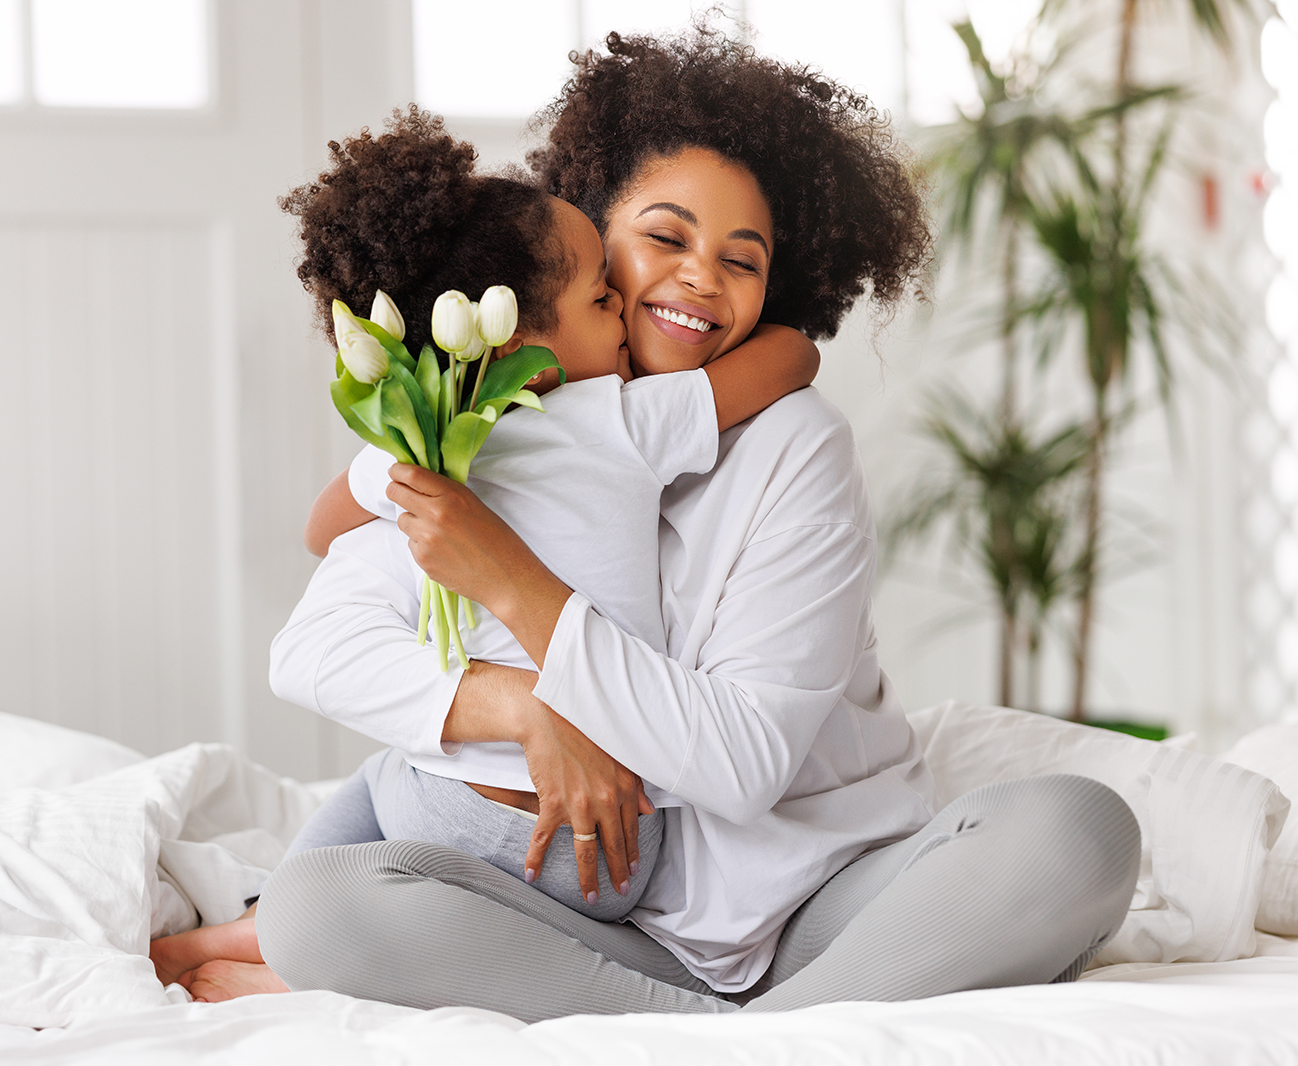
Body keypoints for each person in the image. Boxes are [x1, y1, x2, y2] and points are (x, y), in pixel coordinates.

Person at [185, 31, 1140, 1017]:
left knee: (1076, 829)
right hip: (598, 923)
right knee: (320, 901)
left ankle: (741, 1035)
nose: (699, 279)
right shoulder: (486, 442)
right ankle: (733, 1029)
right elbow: (328, 607)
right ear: (588, 243)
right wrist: (523, 705)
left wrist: (515, 584)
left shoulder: (789, 445)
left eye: (743, 259)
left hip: (813, 907)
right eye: (664, 238)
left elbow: (738, 766)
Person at [148, 106, 821, 996]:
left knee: (384, 781)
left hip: (462, 810)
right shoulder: (622, 422)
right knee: (398, 801)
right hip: (608, 848)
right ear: (519, 347)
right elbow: (791, 357)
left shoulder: (421, 448)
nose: (622, 306)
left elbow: (319, 530)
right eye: (600, 298)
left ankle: (255, 937)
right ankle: (279, 947)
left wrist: (420, 481)